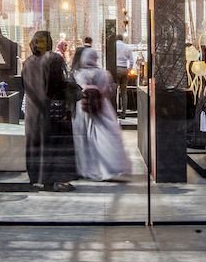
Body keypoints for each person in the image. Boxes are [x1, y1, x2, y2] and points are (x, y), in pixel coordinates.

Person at [22, 29, 79, 191]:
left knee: (36, 145)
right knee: (55, 146)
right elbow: (59, 85)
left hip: (33, 112)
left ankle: (38, 179)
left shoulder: (27, 62)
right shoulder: (53, 59)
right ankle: (56, 181)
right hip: (51, 111)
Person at [72, 49, 129, 181]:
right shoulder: (104, 74)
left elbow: (77, 91)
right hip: (102, 109)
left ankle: (87, 168)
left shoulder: (79, 74)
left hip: (83, 110)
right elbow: (107, 91)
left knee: (84, 139)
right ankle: (107, 169)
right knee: (104, 138)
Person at [114, 34, 135, 113]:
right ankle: (123, 112)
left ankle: (114, 111)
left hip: (115, 69)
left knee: (114, 91)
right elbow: (131, 61)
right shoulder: (127, 47)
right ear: (122, 39)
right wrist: (129, 70)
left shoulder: (114, 46)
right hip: (124, 69)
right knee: (124, 92)